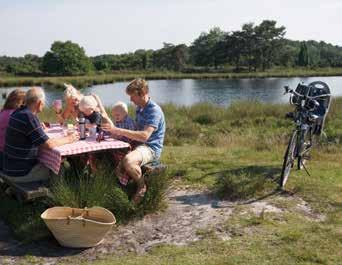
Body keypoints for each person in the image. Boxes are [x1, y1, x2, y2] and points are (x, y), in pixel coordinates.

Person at [102, 78, 166, 204]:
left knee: (128, 161)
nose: (130, 100)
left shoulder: (154, 111)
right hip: (138, 145)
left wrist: (118, 131)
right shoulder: (140, 108)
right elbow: (136, 130)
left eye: (132, 96)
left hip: (150, 148)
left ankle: (141, 186)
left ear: (142, 93)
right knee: (107, 153)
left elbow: (144, 136)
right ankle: (118, 188)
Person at [2, 87, 79, 182]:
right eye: (43, 102)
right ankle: (55, 194)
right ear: (39, 103)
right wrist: (69, 138)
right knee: (59, 167)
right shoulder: (28, 116)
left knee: (49, 162)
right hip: (21, 172)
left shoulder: (18, 112)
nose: (43, 104)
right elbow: (49, 144)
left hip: (8, 167)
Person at [0, 89, 26, 169]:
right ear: (20, 102)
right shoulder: (16, 115)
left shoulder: (2, 112)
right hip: (10, 158)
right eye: (24, 103)